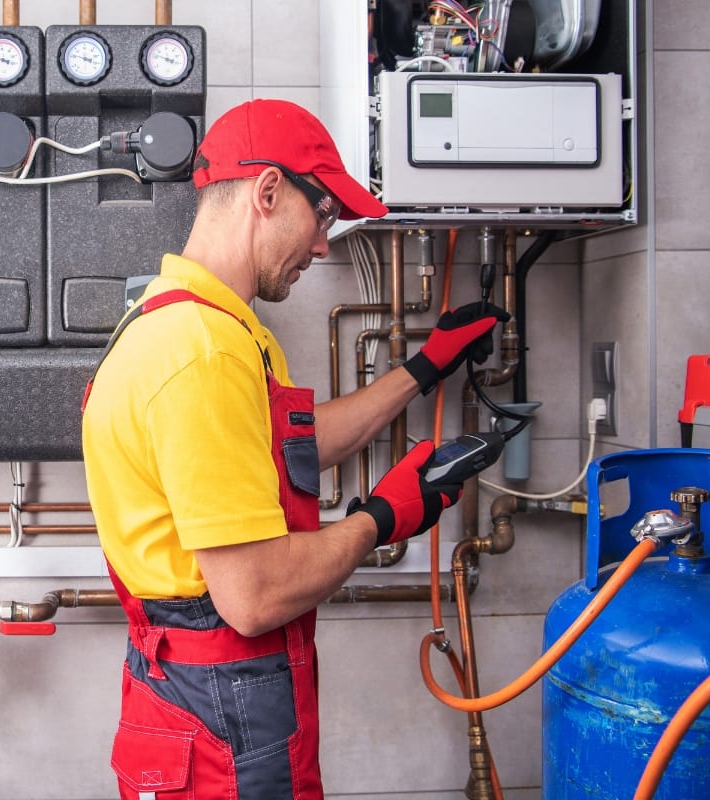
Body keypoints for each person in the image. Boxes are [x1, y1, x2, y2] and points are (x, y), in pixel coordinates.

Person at [81, 98, 509, 800]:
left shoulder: (191, 322)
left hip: (198, 699)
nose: (322, 245)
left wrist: (425, 367)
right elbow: (253, 595)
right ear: (269, 191)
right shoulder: (202, 352)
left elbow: (289, 453)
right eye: (324, 217)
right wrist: (384, 517)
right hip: (220, 708)